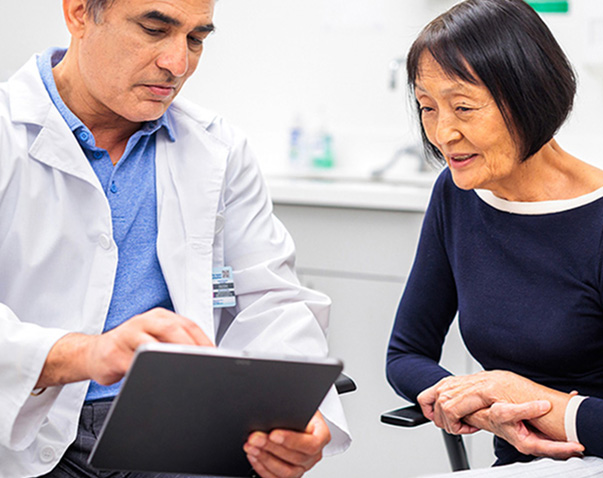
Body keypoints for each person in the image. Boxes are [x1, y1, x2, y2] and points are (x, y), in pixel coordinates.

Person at [0, 0, 350, 477]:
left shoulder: (217, 149)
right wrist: (84, 353)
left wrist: (293, 416)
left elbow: (269, 299)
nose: (177, 64)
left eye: (196, 39)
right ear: (80, 12)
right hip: (20, 424)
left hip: (174, 428)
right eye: (153, 29)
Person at [385, 0, 603, 476]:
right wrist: (482, 406)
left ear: (528, 95)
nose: (444, 132)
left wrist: (513, 391)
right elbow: (406, 354)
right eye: (427, 107)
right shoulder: (456, 194)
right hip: (535, 462)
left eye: (463, 107)